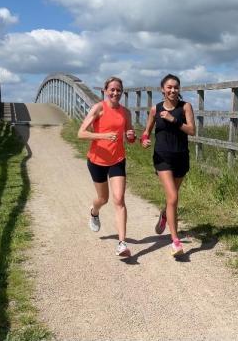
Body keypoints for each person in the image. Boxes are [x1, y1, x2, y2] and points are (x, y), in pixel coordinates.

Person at [78, 76, 136, 256]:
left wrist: (131, 136)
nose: (115, 93)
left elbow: (128, 136)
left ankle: (122, 243)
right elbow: (81, 133)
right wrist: (102, 136)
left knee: (119, 200)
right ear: (105, 91)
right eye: (112, 89)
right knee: (103, 199)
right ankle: (94, 212)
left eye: (118, 90)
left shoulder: (126, 112)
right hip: (97, 160)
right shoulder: (98, 108)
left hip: (117, 159)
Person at [141, 74, 195, 256]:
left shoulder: (185, 107)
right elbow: (146, 132)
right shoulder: (155, 110)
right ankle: (176, 241)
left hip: (181, 157)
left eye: (176, 87)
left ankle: (165, 214)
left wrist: (174, 120)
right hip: (162, 157)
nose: (173, 90)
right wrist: (145, 140)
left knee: (173, 198)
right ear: (162, 89)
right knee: (172, 197)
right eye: (169, 87)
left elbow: (192, 130)